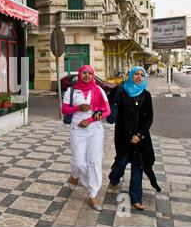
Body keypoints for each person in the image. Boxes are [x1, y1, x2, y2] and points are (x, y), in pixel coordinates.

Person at [108, 66, 161, 211]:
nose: (138, 77)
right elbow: (109, 107)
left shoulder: (146, 95)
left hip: (140, 139)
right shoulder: (121, 91)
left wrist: (139, 135)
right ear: (131, 75)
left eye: (141, 75)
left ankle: (136, 197)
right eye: (135, 74)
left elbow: (149, 119)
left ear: (144, 78)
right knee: (121, 162)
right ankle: (114, 178)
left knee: (138, 166)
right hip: (123, 136)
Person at [62, 65, 111, 211]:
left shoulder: (98, 90)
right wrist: (77, 108)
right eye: (84, 73)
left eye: (90, 73)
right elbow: (64, 110)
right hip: (77, 129)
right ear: (80, 75)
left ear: (93, 75)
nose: (87, 75)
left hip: (95, 129)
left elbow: (107, 110)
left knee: (94, 162)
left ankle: (93, 194)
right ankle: (76, 175)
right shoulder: (71, 91)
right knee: (78, 162)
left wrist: (89, 120)